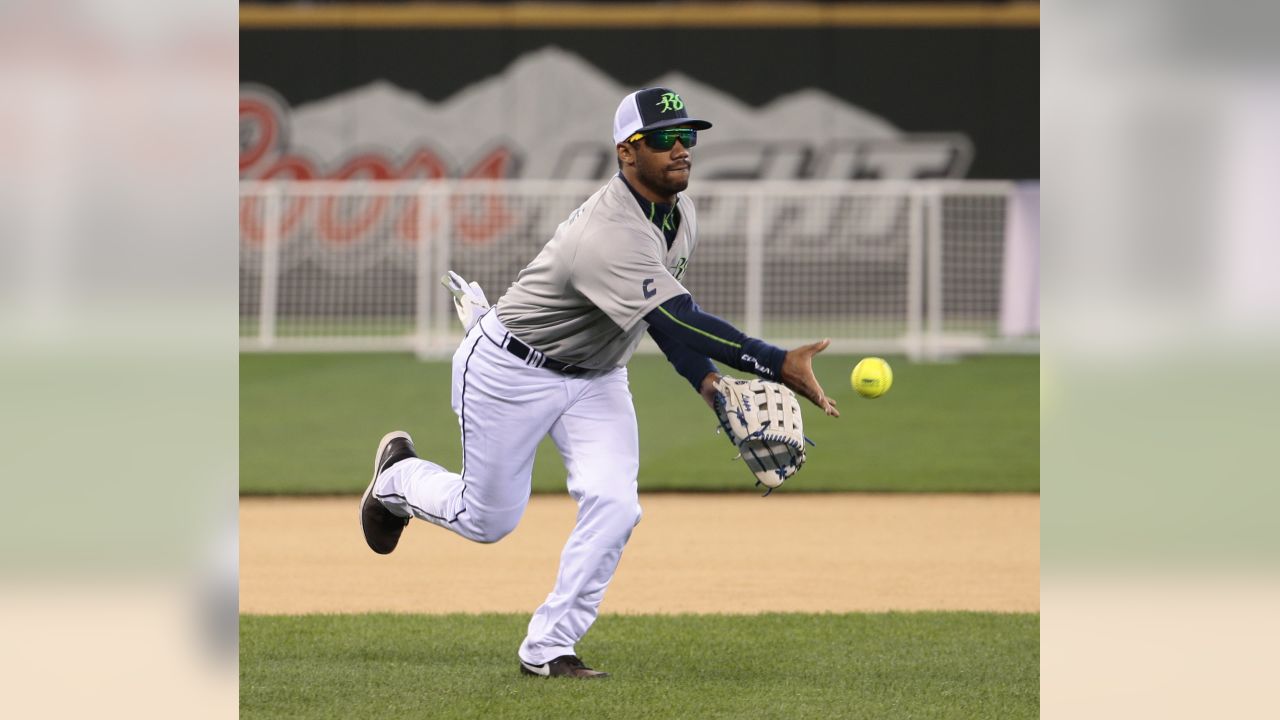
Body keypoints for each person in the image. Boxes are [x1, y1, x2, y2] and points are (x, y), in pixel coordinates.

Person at [359, 87, 839, 679]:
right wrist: (775, 361)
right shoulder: (608, 230)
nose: (682, 150)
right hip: (512, 369)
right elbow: (676, 317)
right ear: (626, 152)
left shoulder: (679, 216)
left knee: (615, 507)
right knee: (488, 521)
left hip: (597, 378)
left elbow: (658, 317)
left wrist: (710, 383)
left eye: (687, 136)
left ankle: (548, 647)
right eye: (664, 139)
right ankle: (395, 479)